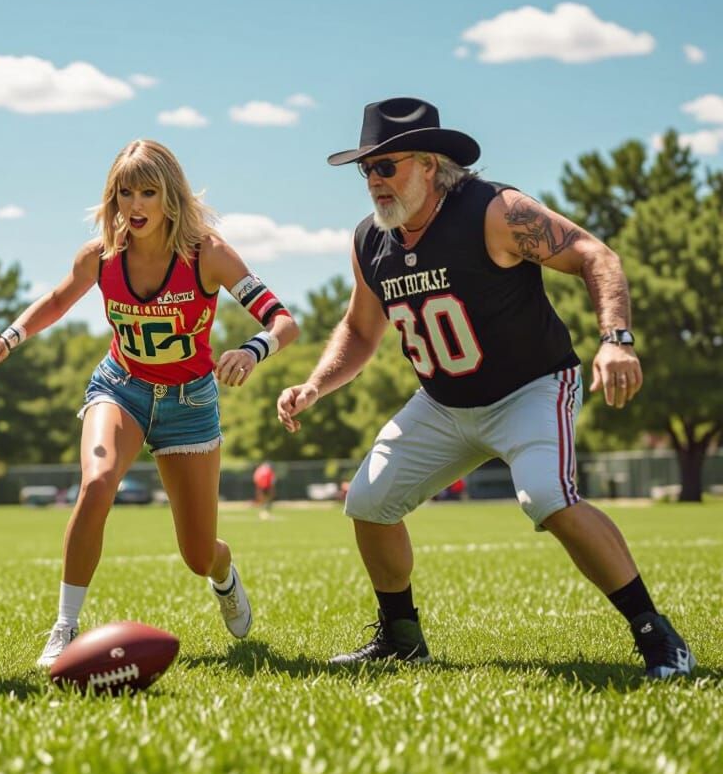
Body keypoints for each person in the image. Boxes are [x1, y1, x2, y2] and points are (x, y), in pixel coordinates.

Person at [277, 97, 695, 679]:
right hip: (444, 401)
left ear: (429, 164)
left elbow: (595, 255)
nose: (373, 180)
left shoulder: (494, 211)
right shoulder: (370, 240)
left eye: (386, 165)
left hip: (530, 388)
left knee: (547, 497)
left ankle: (658, 636)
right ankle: (402, 638)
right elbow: (360, 329)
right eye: (366, 169)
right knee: (369, 502)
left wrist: (616, 339)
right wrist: (316, 385)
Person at [0, 139, 300, 667]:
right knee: (97, 483)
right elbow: (57, 300)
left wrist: (254, 350)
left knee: (198, 554)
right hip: (121, 388)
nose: (135, 205)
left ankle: (223, 572)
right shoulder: (100, 256)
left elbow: (284, 321)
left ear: (170, 196)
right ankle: (64, 627)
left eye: (148, 192)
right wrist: (10, 337)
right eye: (125, 192)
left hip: (190, 404)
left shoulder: (207, 253)